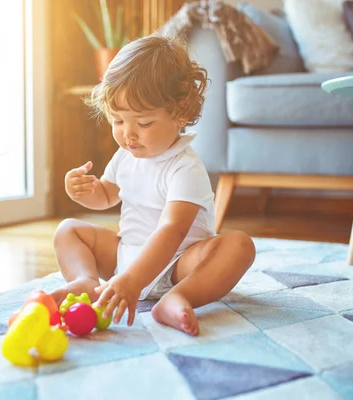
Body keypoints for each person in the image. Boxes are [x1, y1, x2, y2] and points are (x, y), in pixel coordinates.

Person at [51, 34, 255, 336]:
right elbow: (107, 195)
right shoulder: (125, 156)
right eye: (118, 121)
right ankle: (87, 282)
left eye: (143, 123)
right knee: (67, 230)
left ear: (181, 113)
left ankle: (179, 298)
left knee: (239, 245)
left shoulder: (185, 167)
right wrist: (84, 191)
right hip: (126, 255)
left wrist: (134, 280)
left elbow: (172, 230)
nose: (128, 135)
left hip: (179, 266)